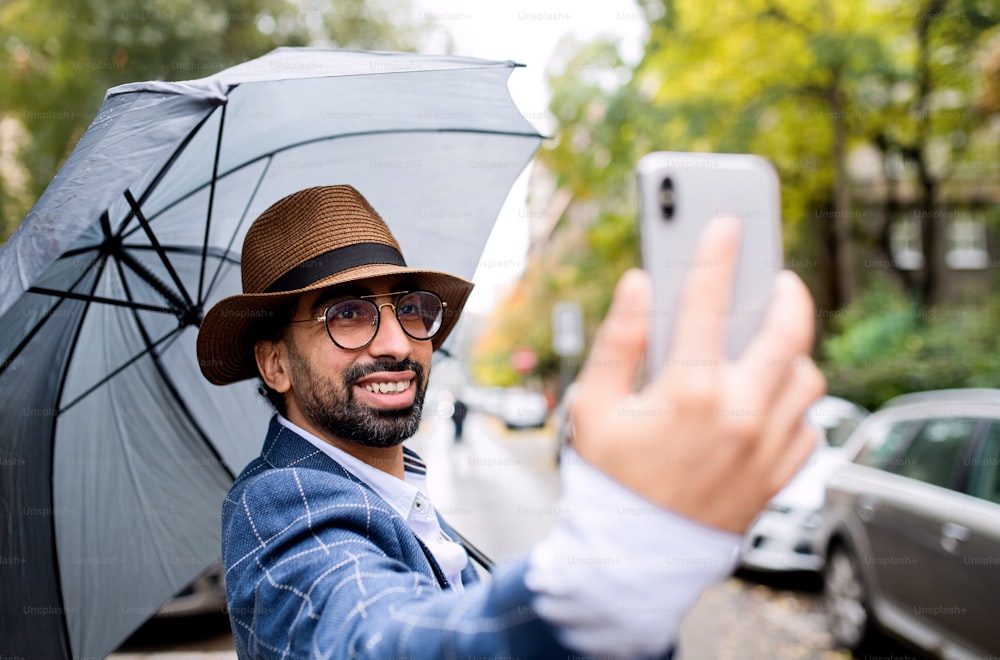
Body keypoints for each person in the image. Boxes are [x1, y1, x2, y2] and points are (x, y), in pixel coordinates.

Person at [197, 184, 825, 658]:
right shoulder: (280, 504)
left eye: (411, 308)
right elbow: (373, 636)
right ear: (275, 363)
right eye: (348, 314)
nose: (397, 342)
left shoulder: (396, 495)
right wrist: (608, 571)